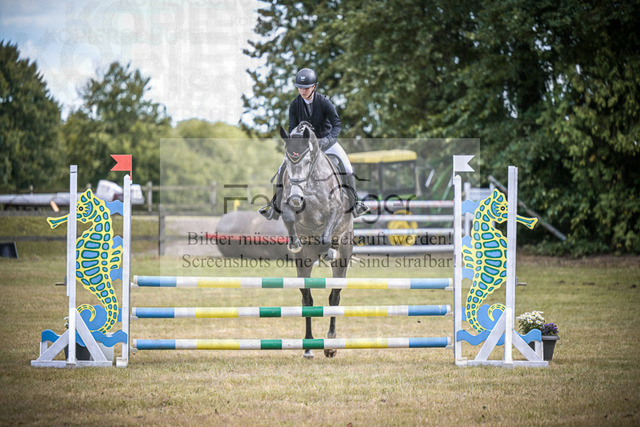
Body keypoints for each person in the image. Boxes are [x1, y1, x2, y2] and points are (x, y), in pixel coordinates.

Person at [259, 68, 370, 220]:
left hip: (327, 143)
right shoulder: (294, 105)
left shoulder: (324, 103)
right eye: (300, 87)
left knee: (347, 167)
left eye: (306, 87)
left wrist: (326, 140)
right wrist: (296, 142)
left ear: (314, 87)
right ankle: (275, 206)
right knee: (282, 168)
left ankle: (355, 204)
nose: (302, 91)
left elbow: (337, 125)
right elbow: (292, 128)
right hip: (304, 146)